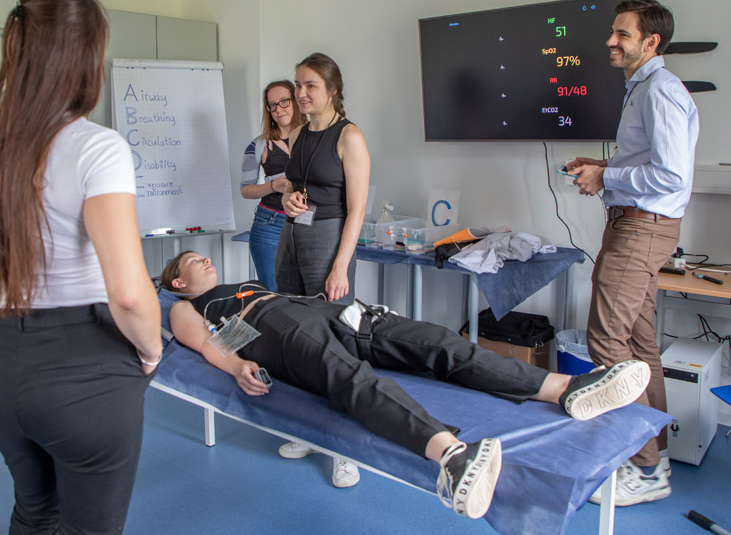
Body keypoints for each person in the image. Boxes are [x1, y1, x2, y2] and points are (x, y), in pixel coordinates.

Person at [162, 251, 651, 521]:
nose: (204, 260)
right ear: (177, 283)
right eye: (191, 260)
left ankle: (565, 388)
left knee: (438, 343)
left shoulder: (243, 282)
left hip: (321, 310)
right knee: (348, 378)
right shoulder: (188, 307)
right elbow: (205, 344)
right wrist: (236, 368)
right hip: (270, 328)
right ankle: (452, 458)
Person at [0, 0, 162, 534]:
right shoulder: (97, 148)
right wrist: (152, 351)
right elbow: (129, 293)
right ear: (87, 59)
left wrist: (2, 321)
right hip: (87, 369)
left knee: (34, 514)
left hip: (2, 366)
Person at [567, 0, 699, 507]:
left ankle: (644, 469)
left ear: (651, 42)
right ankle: (655, 456)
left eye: (622, 34)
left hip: (641, 230)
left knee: (606, 342)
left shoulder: (660, 90)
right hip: (636, 225)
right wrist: (603, 166)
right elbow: (650, 161)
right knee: (641, 347)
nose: (610, 41)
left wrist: (608, 176)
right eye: (613, 32)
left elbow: (671, 176)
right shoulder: (642, 88)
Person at [275, 52, 370, 485]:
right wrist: (287, 200)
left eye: (310, 85)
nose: (301, 93)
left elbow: (357, 210)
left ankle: (345, 448)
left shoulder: (349, 136)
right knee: (297, 334)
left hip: (329, 239)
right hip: (292, 238)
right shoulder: (297, 133)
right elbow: (293, 187)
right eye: (298, 84)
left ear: (332, 90)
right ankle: (311, 431)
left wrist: (340, 267)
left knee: (335, 341)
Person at [240, 80, 306, 290]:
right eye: (272, 105)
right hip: (270, 224)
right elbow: (245, 190)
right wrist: (273, 186)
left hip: (308, 224)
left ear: (296, 101)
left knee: (306, 295)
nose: (278, 109)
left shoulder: (315, 139)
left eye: (284, 101)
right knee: (273, 295)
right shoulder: (259, 145)